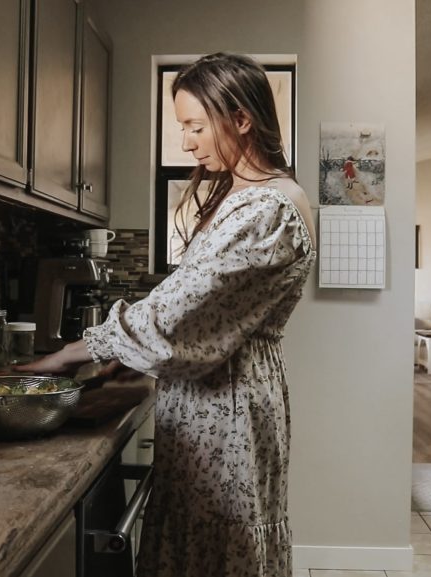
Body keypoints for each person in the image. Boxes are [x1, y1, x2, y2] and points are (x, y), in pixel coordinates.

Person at [17, 52, 315, 577]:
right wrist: (138, 360)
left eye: (195, 126)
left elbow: (174, 313)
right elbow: (210, 314)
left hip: (227, 406)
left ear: (241, 119)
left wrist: (73, 352)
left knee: (214, 552)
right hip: (219, 392)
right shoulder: (255, 199)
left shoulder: (267, 208)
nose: (186, 142)